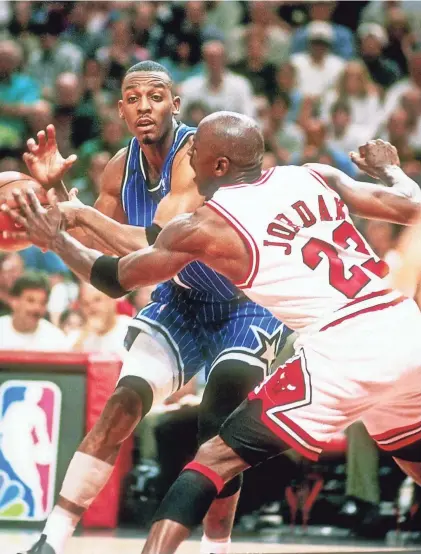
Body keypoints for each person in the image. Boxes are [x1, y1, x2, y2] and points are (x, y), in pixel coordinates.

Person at [7, 114, 421, 554]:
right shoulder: (313, 175)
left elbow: (116, 278)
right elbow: (412, 208)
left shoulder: (208, 225)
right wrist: (392, 169)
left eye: (194, 149)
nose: (186, 154)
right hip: (404, 327)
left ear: (219, 165)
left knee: (210, 461)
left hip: (343, 346)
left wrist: (56, 240)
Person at [15, 62, 289, 554]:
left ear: (175, 104)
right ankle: (49, 541)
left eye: (156, 96)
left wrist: (76, 213)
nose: (145, 106)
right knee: (120, 408)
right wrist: (53, 194)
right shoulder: (121, 167)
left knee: (217, 422)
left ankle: (215, 546)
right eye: (134, 98)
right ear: (120, 109)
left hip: (242, 306)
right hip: (181, 301)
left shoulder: (196, 156)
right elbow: (88, 239)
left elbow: (152, 244)